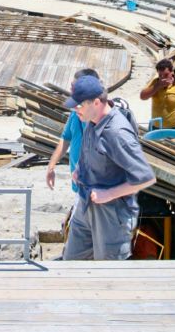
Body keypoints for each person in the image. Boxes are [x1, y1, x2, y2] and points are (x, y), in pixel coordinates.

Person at [63, 75, 155, 260]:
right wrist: (80, 169)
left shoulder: (117, 133)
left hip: (110, 214)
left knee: (108, 271)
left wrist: (109, 194)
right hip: (86, 203)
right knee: (71, 263)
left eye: (79, 105)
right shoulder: (91, 122)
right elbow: (90, 152)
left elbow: (146, 178)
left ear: (96, 103)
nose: (75, 110)